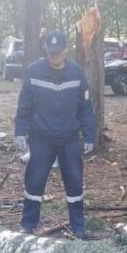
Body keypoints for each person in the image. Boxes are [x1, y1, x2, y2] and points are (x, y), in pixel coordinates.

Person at [14, 30, 97, 237]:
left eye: (58, 52)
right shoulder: (33, 72)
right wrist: (20, 132)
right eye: (51, 53)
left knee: (75, 184)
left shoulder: (77, 74)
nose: (55, 56)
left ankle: (78, 227)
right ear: (46, 50)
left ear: (66, 50)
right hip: (41, 138)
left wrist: (89, 134)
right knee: (34, 182)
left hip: (69, 139)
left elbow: (85, 108)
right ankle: (28, 225)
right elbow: (24, 106)